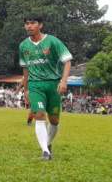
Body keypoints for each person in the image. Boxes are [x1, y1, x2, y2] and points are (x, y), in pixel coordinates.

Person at [19, 15, 72, 161]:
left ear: (40, 25)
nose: (29, 26)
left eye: (33, 23)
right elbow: (25, 69)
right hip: (35, 85)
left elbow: (67, 61)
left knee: (54, 121)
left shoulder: (53, 41)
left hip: (53, 85)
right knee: (39, 115)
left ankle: (47, 144)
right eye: (27, 23)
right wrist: (26, 89)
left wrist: (63, 81)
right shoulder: (23, 46)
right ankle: (45, 152)